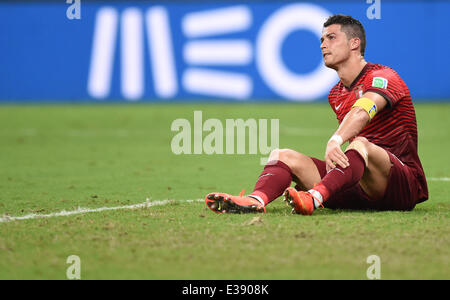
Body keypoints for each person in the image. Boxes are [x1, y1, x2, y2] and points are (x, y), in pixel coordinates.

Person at [204, 14, 428, 215]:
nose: (323, 45)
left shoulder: (383, 76)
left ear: (354, 43)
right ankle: (255, 201)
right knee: (282, 155)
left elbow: (362, 111)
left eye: (331, 38)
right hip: (360, 185)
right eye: (321, 40)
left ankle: (314, 197)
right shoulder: (336, 93)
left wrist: (335, 140)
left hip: (401, 186)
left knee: (360, 143)